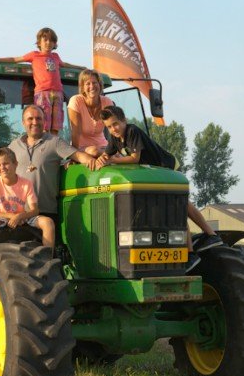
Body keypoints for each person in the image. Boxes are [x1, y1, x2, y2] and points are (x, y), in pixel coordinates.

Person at [94, 106, 223, 269]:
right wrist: (100, 159)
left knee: (179, 207)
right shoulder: (115, 138)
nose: (113, 129)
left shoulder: (132, 132)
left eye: (116, 124)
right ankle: (205, 239)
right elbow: (107, 154)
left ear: (124, 120)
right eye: (109, 127)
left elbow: (134, 158)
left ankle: (196, 248)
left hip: (166, 168)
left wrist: (112, 161)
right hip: (154, 175)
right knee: (178, 208)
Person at [0, 105, 97, 221]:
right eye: (30, 119)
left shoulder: (55, 142)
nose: (35, 122)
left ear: (44, 122)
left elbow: (78, 155)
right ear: (23, 123)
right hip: (16, 214)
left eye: (38, 118)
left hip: (44, 212)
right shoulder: (15, 144)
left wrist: (93, 161)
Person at [0, 147, 55, 288]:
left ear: (15, 164)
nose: (3, 167)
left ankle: (48, 265)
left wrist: (20, 216)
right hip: (0, 217)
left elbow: (34, 210)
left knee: (48, 222)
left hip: (21, 216)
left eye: (6, 163)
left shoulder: (26, 183)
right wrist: (10, 216)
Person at [0, 27, 84, 134]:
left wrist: (81, 68)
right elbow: (15, 59)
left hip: (58, 92)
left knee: (56, 123)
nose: (48, 43)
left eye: (51, 41)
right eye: (45, 40)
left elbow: (65, 65)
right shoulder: (34, 55)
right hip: (43, 92)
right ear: (39, 42)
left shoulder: (56, 56)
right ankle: (44, 143)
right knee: (44, 121)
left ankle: (54, 143)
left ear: (55, 44)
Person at [68, 69, 114, 157]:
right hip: (82, 147)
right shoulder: (76, 101)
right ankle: (111, 156)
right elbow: (75, 133)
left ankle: (112, 156)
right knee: (95, 151)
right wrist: (74, 156)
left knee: (119, 154)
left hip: (102, 146)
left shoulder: (107, 102)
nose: (92, 86)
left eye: (94, 83)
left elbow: (114, 128)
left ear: (100, 85)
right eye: (88, 84)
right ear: (83, 87)